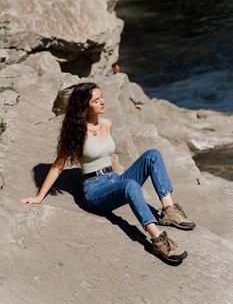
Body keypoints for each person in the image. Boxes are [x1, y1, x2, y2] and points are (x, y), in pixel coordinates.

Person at [20, 82, 195, 263]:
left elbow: (110, 155)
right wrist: (39, 196)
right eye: (96, 100)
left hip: (113, 178)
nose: (103, 102)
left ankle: (168, 210)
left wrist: (119, 179)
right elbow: (58, 166)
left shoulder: (106, 124)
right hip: (94, 190)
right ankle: (157, 239)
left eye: (101, 97)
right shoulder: (77, 132)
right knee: (130, 185)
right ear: (84, 106)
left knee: (152, 155)